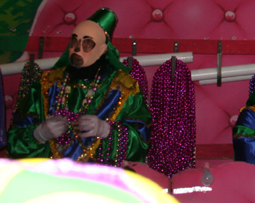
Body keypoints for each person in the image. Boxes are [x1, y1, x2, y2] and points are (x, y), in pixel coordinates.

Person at [8, 8, 151, 164]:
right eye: (75, 41)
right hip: (49, 180)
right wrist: (39, 134)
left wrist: (107, 131)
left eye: (87, 43)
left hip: (101, 183)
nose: (77, 49)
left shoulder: (125, 88)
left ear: (102, 50)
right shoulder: (47, 84)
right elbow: (14, 141)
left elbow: (142, 144)